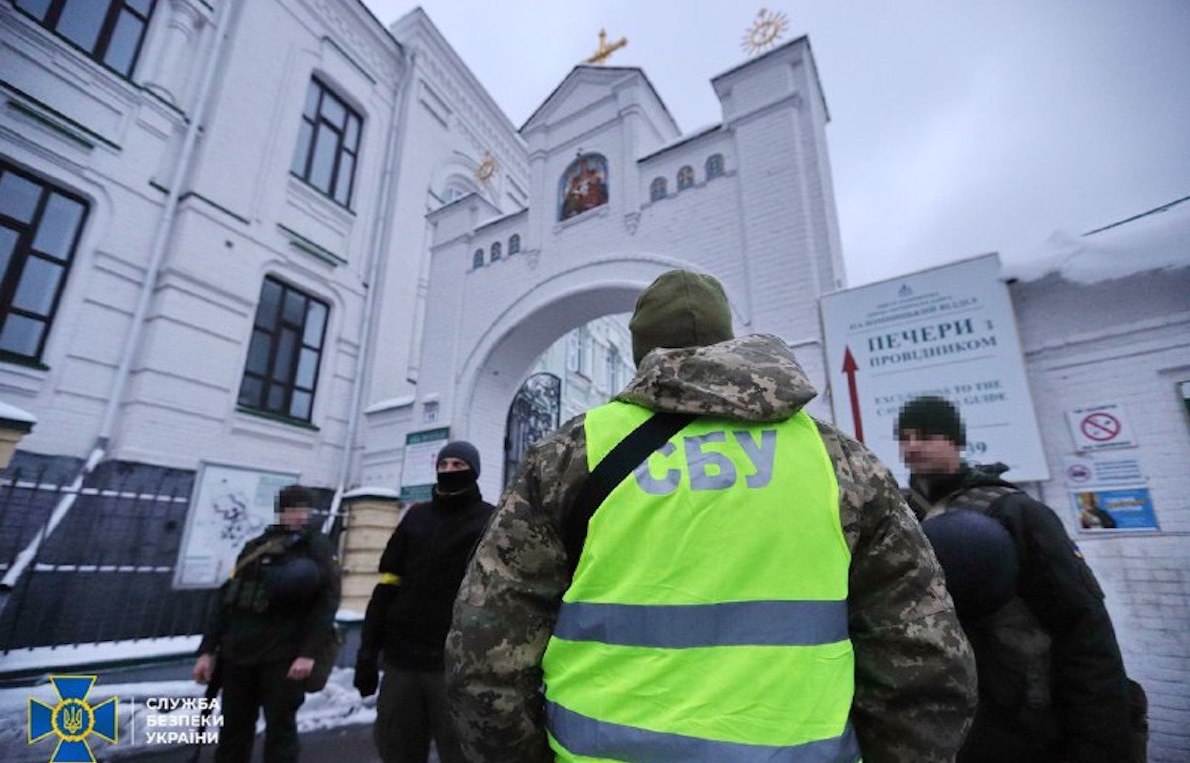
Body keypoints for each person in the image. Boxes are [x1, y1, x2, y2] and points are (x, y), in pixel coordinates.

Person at [446, 269, 977, 763]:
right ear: (725, 340)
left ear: (641, 352)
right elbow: (924, 657)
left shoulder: (571, 456)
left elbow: (485, 651)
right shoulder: (840, 462)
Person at [896, 395, 1134, 763]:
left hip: (1017, 727)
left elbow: (1083, 629)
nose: (912, 446)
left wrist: (1098, 746)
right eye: (905, 437)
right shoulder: (900, 518)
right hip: (932, 722)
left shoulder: (1015, 512)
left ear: (956, 441)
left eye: (925, 435)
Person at [354, 441, 494, 763]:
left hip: (456, 665)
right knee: (396, 747)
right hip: (403, 662)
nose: (449, 472)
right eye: (443, 466)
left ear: (473, 471)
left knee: (461, 752)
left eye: (458, 466)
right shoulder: (415, 518)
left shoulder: (489, 520)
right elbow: (388, 585)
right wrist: (367, 651)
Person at [193, 485, 340, 763]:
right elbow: (227, 600)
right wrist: (207, 650)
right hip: (238, 654)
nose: (299, 516)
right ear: (280, 512)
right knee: (233, 729)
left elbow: (326, 604)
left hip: (283, 656)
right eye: (292, 509)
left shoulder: (316, 548)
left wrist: (308, 653)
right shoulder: (255, 547)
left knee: (280, 732)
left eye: (304, 509)